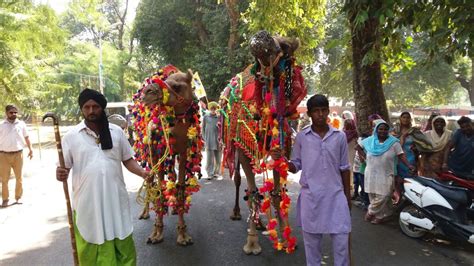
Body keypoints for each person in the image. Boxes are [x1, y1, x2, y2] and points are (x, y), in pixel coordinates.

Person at [56, 89, 150, 265]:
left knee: (122, 239)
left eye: (95, 106)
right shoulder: (71, 136)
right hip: (87, 203)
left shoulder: (116, 132)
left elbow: (128, 160)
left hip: (115, 199)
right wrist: (60, 173)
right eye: (87, 107)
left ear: (102, 108)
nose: (91, 111)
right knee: (90, 239)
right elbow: (64, 168)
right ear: (82, 109)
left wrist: (143, 173)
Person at [273, 94, 351, 266]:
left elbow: (345, 168)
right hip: (311, 198)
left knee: (341, 245)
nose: (321, 114)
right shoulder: (302, 137)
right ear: (309, 114)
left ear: (329, 112)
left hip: (336, 197)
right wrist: (283, 161)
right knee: (312, 247)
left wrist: (347, 197)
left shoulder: (339, 137)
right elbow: (296, 165)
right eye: (316, 111)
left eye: (324, 110)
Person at [356, 120, 415, 225]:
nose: (383, 131)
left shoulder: (394, 142)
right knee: (373, 194)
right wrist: (363, 156)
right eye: (380, 129)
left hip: (386, 173)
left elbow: (401, 155)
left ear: (388, 130)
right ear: (376, 130)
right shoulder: (369, 141)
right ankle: (383, 215)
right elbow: (358, 147)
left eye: (385, 129)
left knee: (384, 195)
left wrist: (409, 165)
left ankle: (371, 211)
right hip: (371, 173)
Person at [0, 105, 33, 207]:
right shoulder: (1, 125)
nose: (13, 114)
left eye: (15, 112)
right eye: (11, 112)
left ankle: (18, 197)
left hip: (18, 154)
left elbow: (26, 137)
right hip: (3, 155)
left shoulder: (21, 124)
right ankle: (5, 199)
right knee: (4, 179)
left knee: (19, 178)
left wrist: (31, 149)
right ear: (6, 113)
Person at [203, 101, 222, 180]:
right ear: (209, 109)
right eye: (211, 109)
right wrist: (204, 138)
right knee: (209, 159)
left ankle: (216, 172)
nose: (213, 110)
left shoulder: (219, 117)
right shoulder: (206, 117)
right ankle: (209, 173)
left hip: (218, 140)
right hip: (209, 140)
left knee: (218, 158)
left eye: (214, 109)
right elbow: (203, 128)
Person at [343, 119, 358, 199]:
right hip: (354, 156)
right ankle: (351, 190)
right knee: (352, 171)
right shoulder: (355, 134)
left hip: (345, 156)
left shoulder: (342, 134)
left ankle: (347, 189)